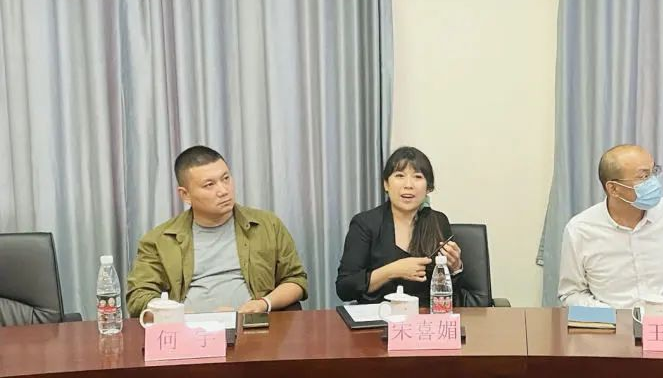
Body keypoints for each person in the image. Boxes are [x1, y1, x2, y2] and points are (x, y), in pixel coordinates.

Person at [126, 146, 308, 316]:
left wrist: (263, 303)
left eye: (226, 178)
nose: (223, 190)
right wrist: (177, 313)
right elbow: (138, 296)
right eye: (209, 185)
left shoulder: (267, 225)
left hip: (252, 328)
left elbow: (295, 280)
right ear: (185, 195)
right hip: (189, 332)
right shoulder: (159, 240)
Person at [558, 144, 663, 309]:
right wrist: (609, 315)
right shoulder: (580, 230)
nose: (653, 182)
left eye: (653, 172)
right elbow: (570, 294)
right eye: (643, 177)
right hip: (613, 325)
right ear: (613, 189)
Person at [337, 147, 486, 306]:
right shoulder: (365, 223)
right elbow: (345, 288)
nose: (408, 185)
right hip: (380, 316)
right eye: (400, 176)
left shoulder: (438, 221)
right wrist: (393, 270)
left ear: (428, 187)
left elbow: (449, 295)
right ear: (386, 184)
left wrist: (455, 267)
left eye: (417, 177)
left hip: (427, 316)